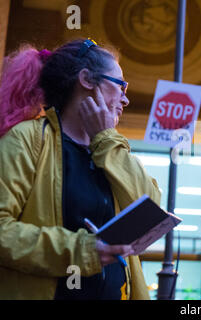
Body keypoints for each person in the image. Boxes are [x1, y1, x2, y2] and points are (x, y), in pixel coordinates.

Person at [0, 39, 161, 299]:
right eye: (120, 86)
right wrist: (82, 251)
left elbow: (151, 213)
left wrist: (106, 138)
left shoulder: (109, 147)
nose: (126, 99)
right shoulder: (27, 139)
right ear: (86, 80)